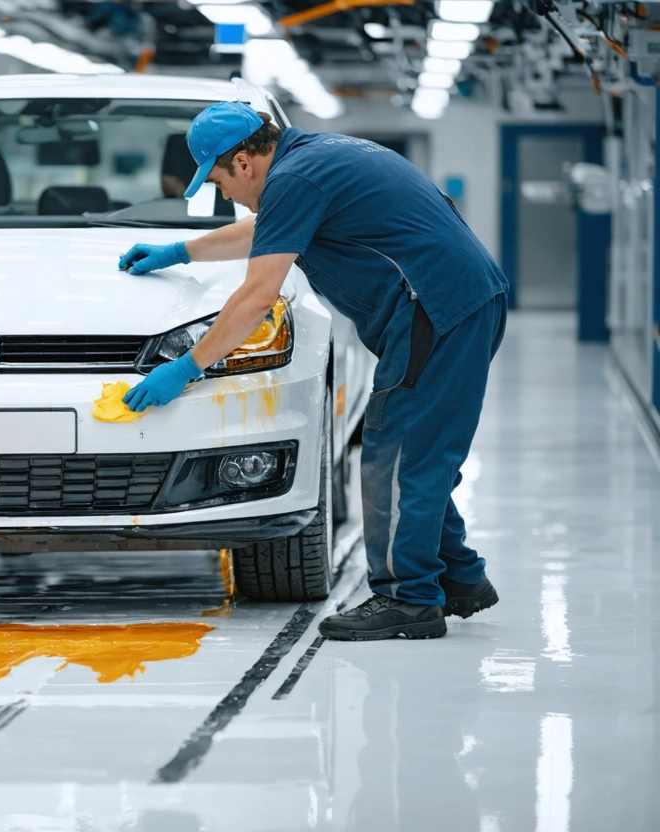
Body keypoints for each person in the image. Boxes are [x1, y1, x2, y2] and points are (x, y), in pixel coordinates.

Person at [117, 102, 507, 641]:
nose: (225, 195)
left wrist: (187, 366)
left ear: (244, 163)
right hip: (458, 301)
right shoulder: (312, 160)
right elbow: (266, 233)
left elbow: (258, 296)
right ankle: (459, 576)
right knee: (418, 448)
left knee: (399, 453)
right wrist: (179, 251)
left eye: (219, 182)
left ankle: (409, 599)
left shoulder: (296, 178)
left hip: (436, 308)